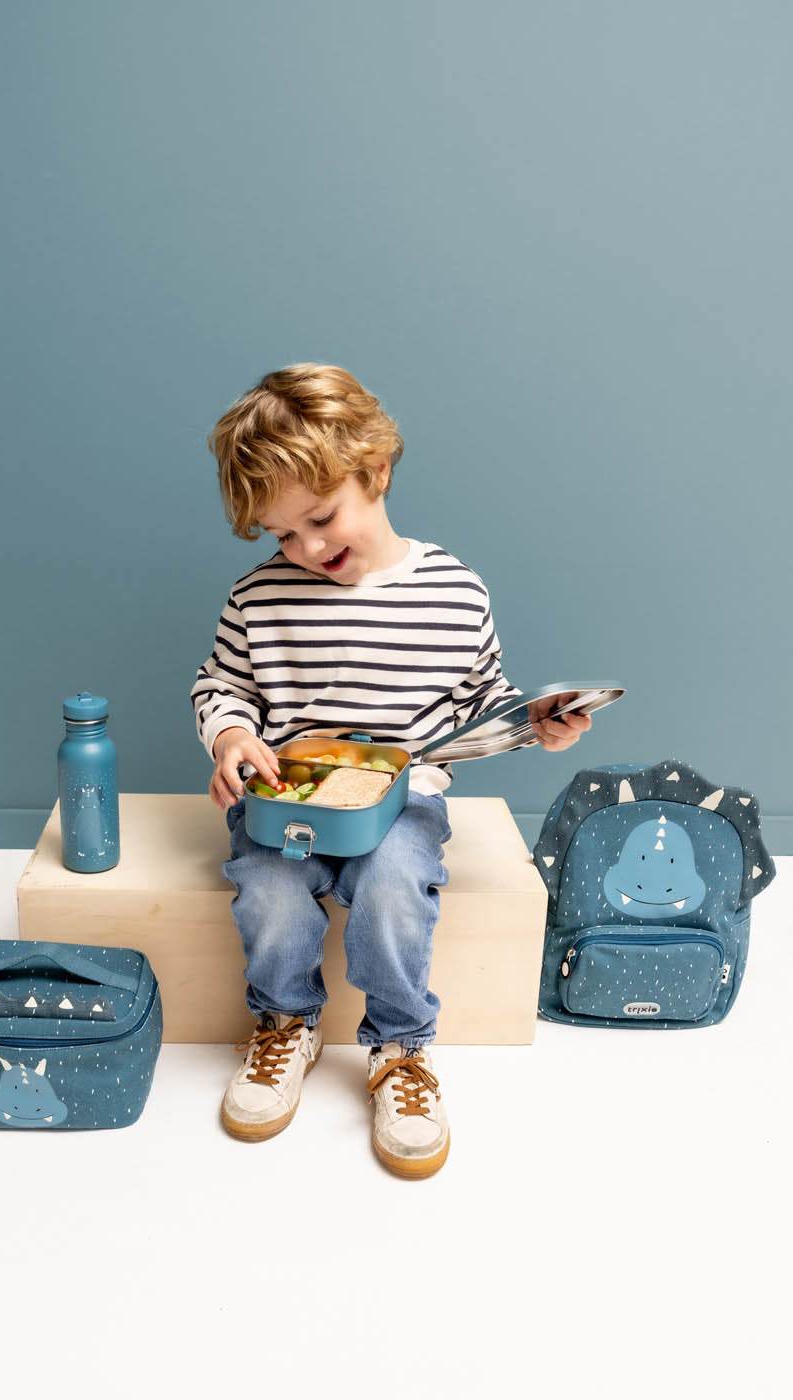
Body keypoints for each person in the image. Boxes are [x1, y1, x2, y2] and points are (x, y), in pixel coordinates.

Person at [191, 363, 591, 1178]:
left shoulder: (455, 591)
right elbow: (222, 684)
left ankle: (402, 1047)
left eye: (320, 518)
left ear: (374, 472)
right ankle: (285, 1023)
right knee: (269, 889)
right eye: (282, 535)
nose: (307, 549)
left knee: (394, 885)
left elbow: (484, 702)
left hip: (403, 796)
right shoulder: (258, 598)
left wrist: (534, 723)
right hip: (289, 800)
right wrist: (231, 736)